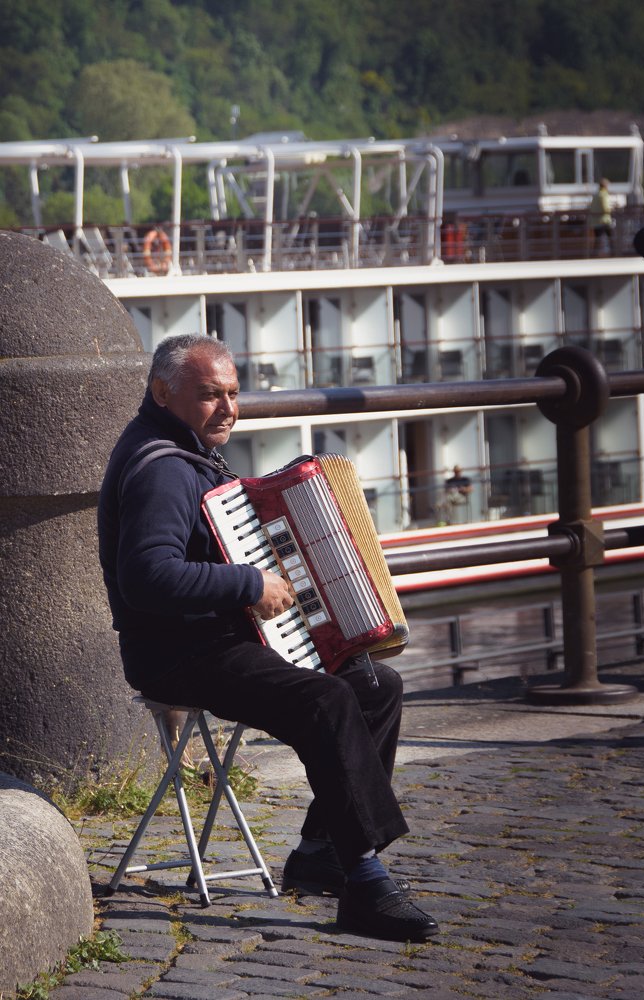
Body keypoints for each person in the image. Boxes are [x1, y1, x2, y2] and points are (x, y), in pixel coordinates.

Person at [97, 333, 438, 942]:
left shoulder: (182, 448)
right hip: (176, 656)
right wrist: (249, 582)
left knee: (376, 684)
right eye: (209, 395)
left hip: (219, 642)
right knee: (325, 699)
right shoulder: (162, 470)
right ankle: (365, 881)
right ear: (161, 393)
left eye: (233, 393)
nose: (227, 408)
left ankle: (322, 853)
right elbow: (147, 577)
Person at [590, 178, 613, 255]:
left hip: (595, 221)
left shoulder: (596, 195)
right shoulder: (604, 195)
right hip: (604, 221)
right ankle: (614, 253)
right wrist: (612, 209)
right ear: (605, 186)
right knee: (611, 237)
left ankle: (594, 254)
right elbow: (605, 208)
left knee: (598, 239)